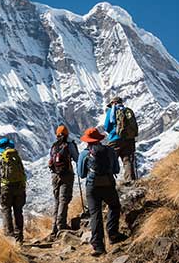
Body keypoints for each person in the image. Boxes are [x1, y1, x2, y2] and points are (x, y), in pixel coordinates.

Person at [77, 127, 128, 257]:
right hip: (108, 184)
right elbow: (116, 169)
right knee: (114, 206)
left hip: (92, 186)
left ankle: (98, 246)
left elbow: (81, 174)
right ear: (99, 139)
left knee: (95, 214)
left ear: (87, 141)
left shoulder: (84, 154)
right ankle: (113, 234)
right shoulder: (109, 151)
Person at [0, 137, 27, 243]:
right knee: (18, 211)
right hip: (19, 187)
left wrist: (2, 181)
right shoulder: (16, 156)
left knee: (6, 210)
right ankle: (19, 237)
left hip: (6, 188)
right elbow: (23, 173)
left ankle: (9, 236)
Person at [48, 124, 79, 237]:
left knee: (57, 200)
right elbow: (76, 158)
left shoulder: (54, 146)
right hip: (66, 175)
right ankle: (61, 224)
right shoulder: (69, 145)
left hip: (55, 175)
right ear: (67, 134)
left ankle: (54, 227)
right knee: (64, 200)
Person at [103, 96, 138, 182]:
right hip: (128, 139)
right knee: (127, 160)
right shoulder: (127, 111)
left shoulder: (111, 111)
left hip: (115, 139)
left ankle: (109, 183)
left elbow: (106, 127)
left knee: (109, 161)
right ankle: (130, 181)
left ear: (113, 103)